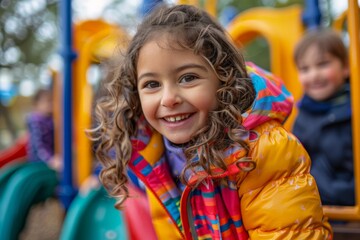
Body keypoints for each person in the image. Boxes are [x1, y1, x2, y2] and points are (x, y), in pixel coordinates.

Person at [91, 4, 332, 239]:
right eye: (152, 84)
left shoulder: (261, 150)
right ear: (136, 94)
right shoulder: (154, 157)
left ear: (223, 80)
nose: (169, 99)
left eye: (188, 78)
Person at [292, 29, 353, 206]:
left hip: (348, 204)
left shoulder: (352, 109)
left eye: (323, 64)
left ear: (346, 67)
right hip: (315, 203)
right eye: (305, 69)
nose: (314, 75)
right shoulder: (302, 114)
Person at [26, 88, 61, 171]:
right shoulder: (36, 121)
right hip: (39, 160)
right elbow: (39, 146)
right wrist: (50, 160)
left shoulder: (51, 119)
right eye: (47, 102)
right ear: (36, 105)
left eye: (52, 101)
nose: (51, 104)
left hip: (52, 156)